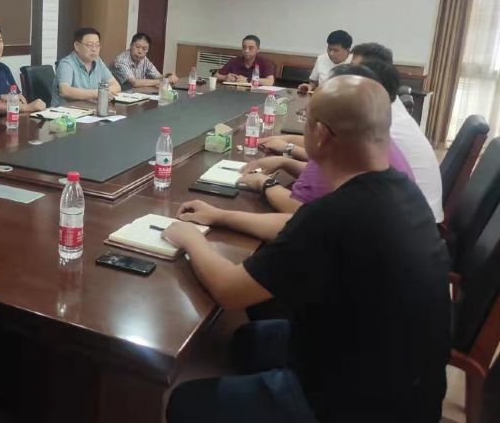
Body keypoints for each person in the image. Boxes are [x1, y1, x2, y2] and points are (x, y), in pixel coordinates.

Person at [163, 75, 451, 423]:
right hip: (409, 384)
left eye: (305, 120)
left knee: (184, 402)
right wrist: (221, 215)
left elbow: (230, 290)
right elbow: (297, 226)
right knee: (246, 342)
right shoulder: (402, 190)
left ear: (321, 134)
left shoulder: (336, 213)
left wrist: (191, 238)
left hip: (356, 406)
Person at [246, 64, 414, 214]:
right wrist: (285, 161)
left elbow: (299, 212)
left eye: (307, 117)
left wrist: (264, 183)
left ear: (321, 132)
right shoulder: (371, 137)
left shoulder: (335, 153)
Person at [340, 42, 444, 222]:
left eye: (355, 72)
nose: (347, 76)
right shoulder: (388, 104)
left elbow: (335, 161)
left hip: (410, 222)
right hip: (416, 215)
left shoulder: (379, 122)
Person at [51, 27, 121, 107]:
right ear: (77, 46)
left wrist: (103, 93)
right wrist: (96, 93)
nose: (94, 49)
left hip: (89, 110)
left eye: (97, 45)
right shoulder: (66, 64)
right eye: (90, 45)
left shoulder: (98, 61)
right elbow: (65, 91)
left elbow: (116, 86)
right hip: (65, 112)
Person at [111, 32, 178, 90]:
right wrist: (164, 81)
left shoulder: (144, 60)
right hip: (119, 96)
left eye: (144, 49)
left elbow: (158, 76)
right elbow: (135, 83)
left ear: (147, 50)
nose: (140, 51)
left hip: (137, 95)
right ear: (131, 46)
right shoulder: (121, 61)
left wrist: (169, 77)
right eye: (137, 47)